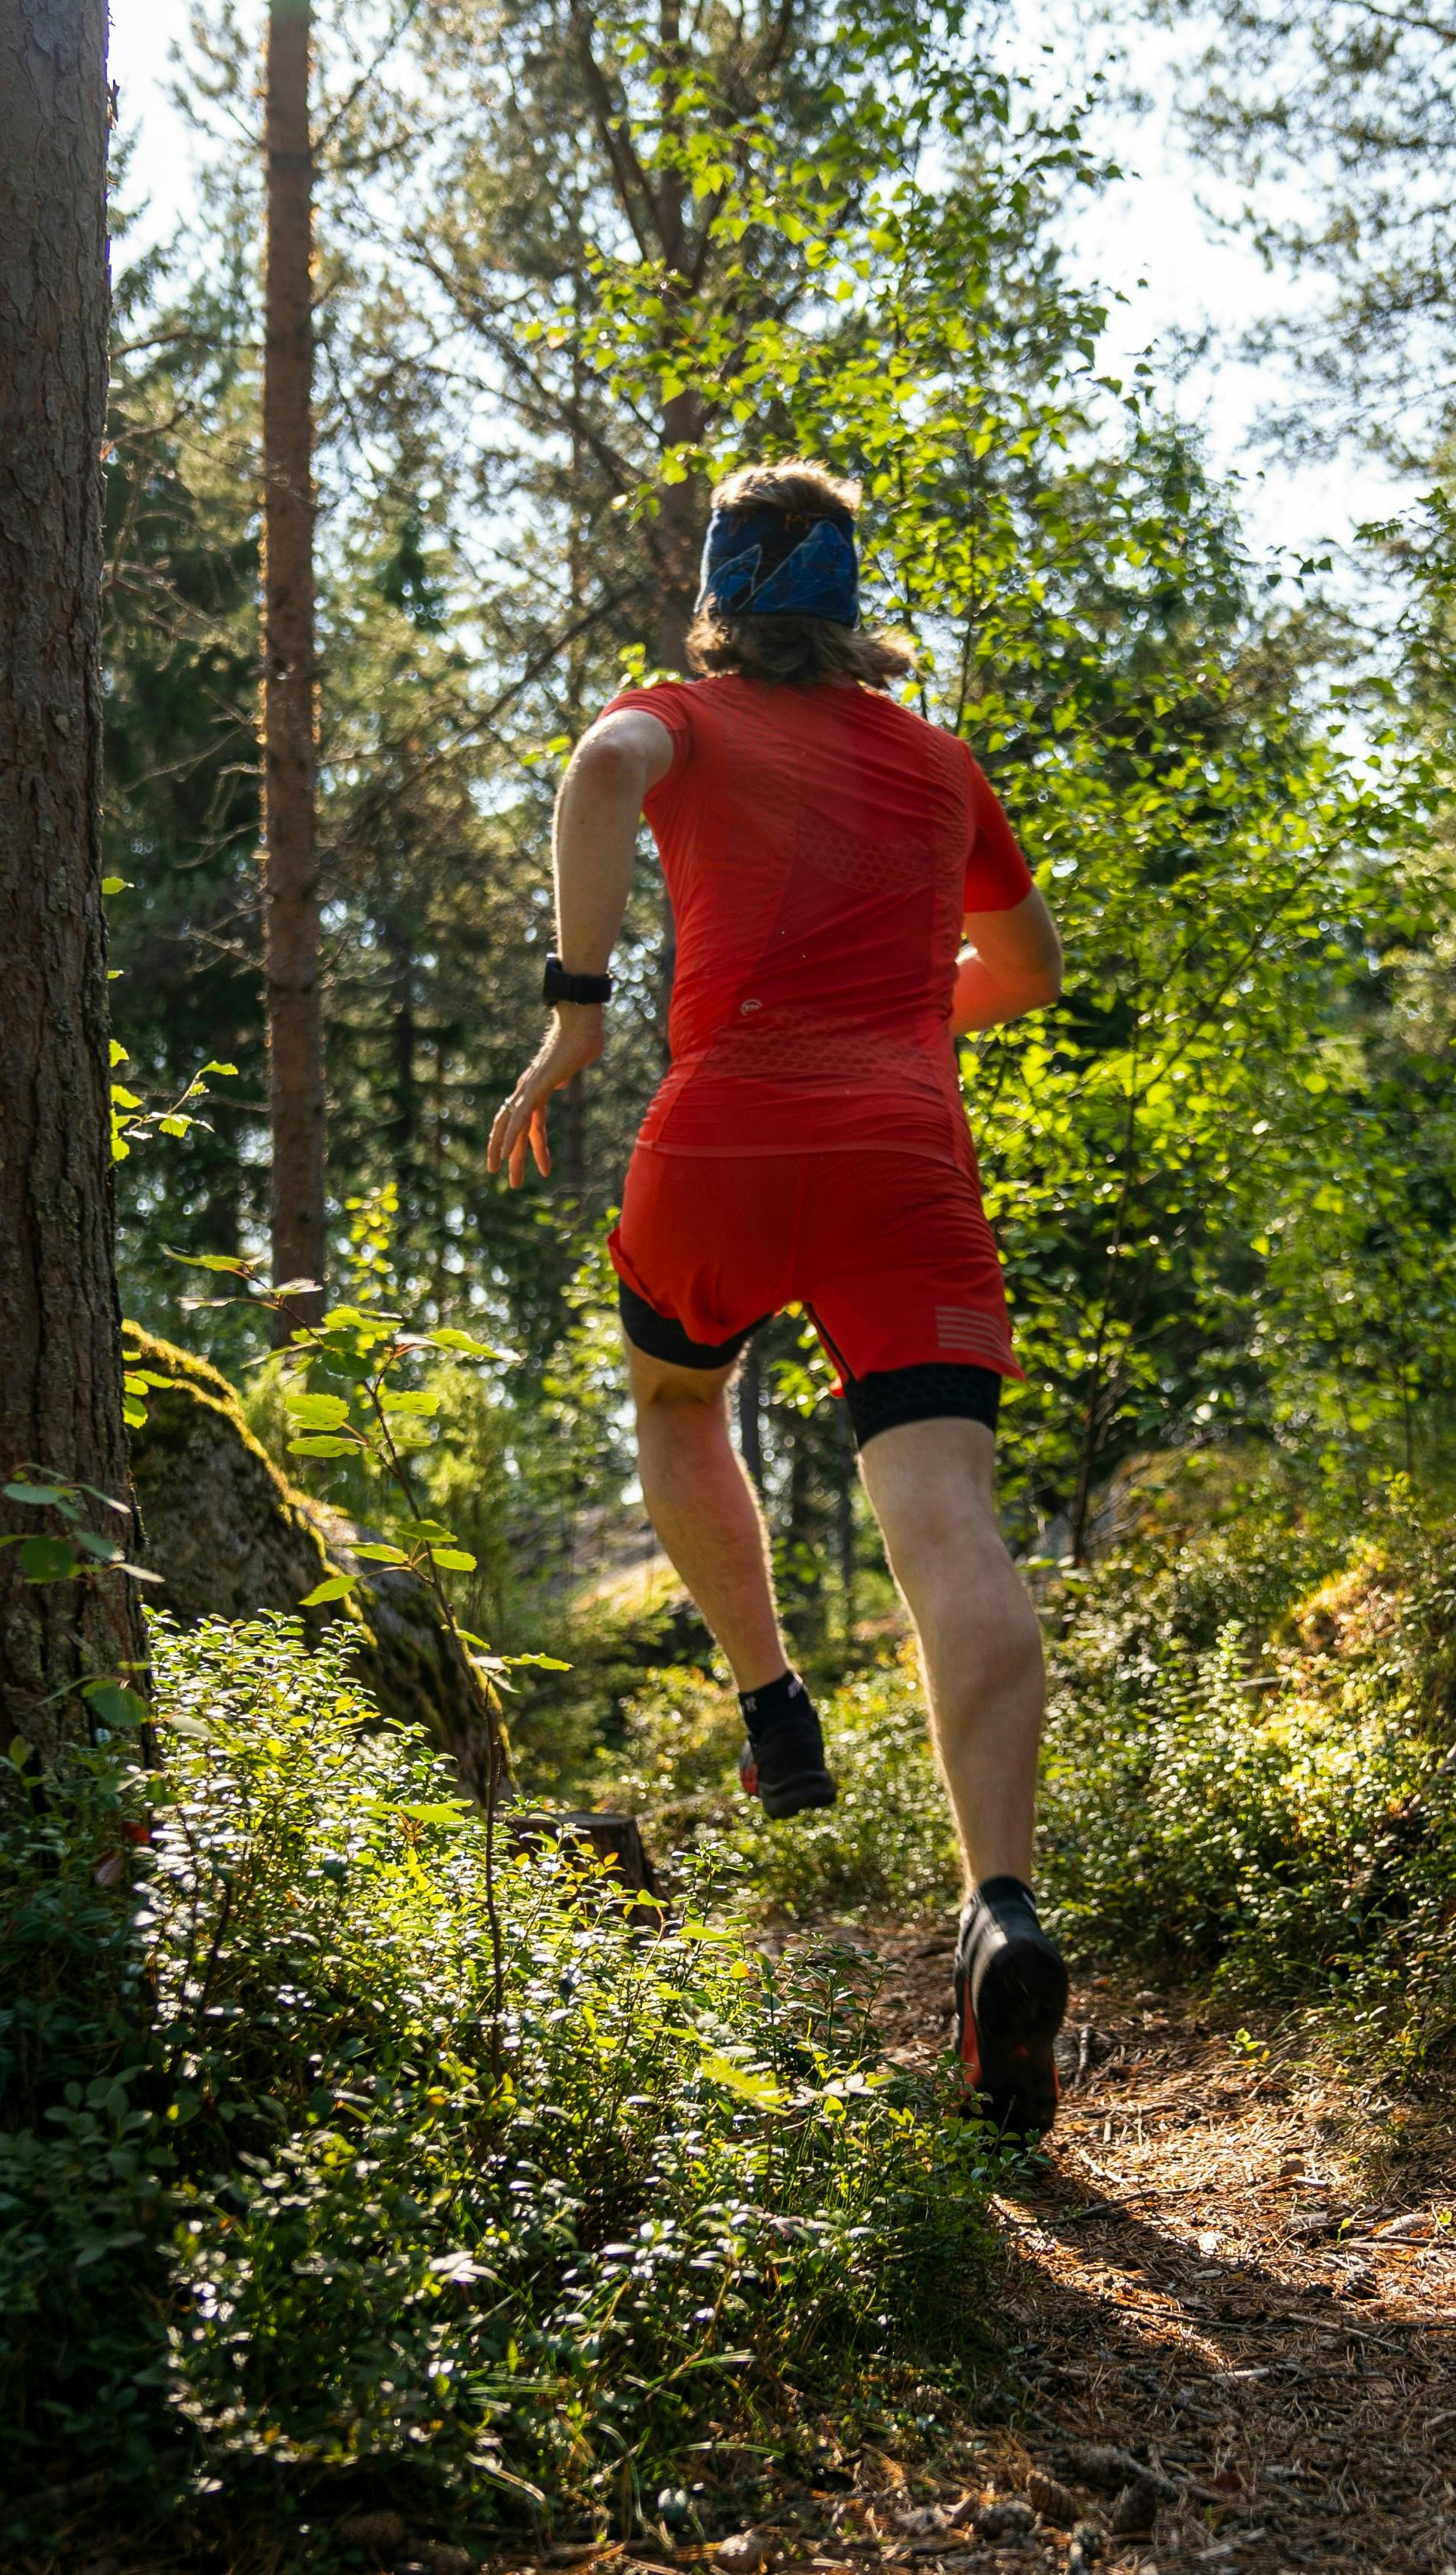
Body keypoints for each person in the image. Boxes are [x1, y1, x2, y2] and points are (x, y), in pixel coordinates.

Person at [484, 459, 1075, 2136]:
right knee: (948, 1516)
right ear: (850, 609)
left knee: (681, 1400)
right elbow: (1026, 972)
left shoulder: (679, 711)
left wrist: (578, 1011)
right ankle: (1004, 1908)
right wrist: (896, 1025)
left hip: (723, 1131)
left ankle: (771, 1699)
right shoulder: (942, 760)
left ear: (726, 599)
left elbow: (604, 764)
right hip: (905, 1154)